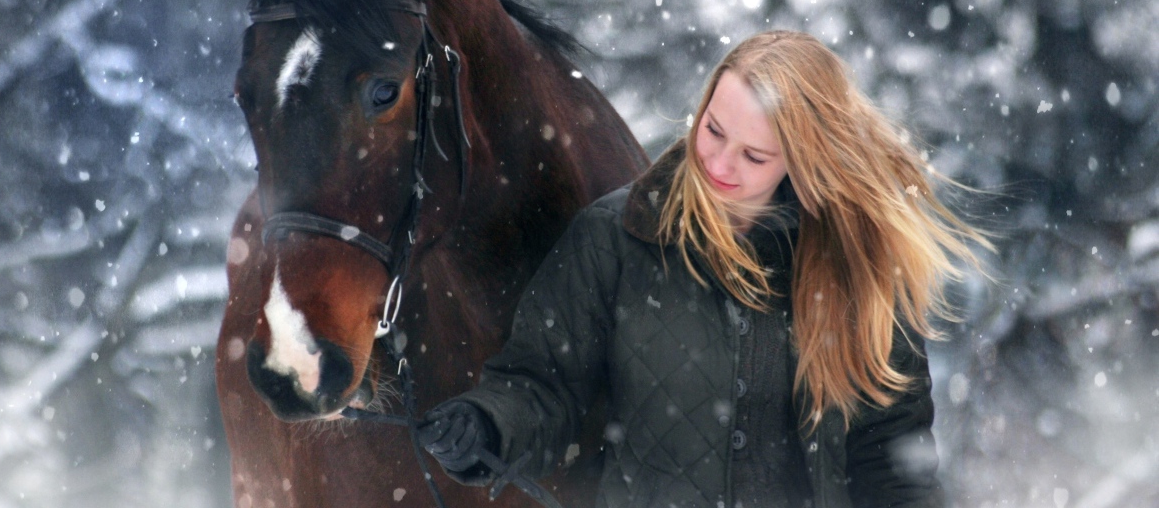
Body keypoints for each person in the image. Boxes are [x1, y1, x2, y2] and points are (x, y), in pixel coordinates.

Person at [416, 30, 989, 508]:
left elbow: (891, 457)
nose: (718, 163)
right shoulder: (616, 238)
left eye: (754, 155)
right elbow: (545, 388)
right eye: (713, 130)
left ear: (803, 162)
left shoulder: (859, 268)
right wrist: (487, 422)